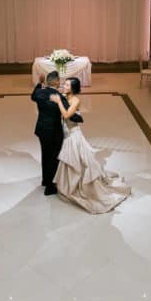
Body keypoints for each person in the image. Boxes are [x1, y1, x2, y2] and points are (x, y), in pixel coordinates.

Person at [50, 78, 131, 213]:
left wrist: (58, 102)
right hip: (65, 134)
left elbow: (66, 115)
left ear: (73, 88)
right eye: (64, 84)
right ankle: (69, 185)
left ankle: (80, 187)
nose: (64, 86)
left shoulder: (75, 100)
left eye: (67, 85)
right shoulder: (64, 97)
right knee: (70, 160)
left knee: (78, 160)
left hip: (73, 135)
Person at [31, 71, 66, 195]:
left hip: (42, 130)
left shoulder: (40, 92)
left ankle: (45, 181)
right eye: (59, 80)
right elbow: (66, 112)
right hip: (54, 132)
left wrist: (40, 83)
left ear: (47, 81)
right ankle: (50, 187)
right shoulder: (59, 97)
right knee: (53, 158)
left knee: (45, 155)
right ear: (56, 81)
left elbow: (33, 96)